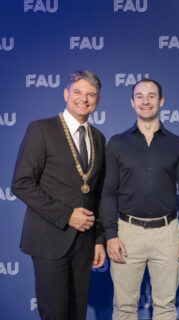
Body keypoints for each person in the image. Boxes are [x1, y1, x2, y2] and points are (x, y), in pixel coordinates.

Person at [12, 70, 106, 319]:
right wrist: (67, 215)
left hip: (84, 242)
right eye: (77, 92)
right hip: (49, 239)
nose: (83, 99)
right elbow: (21, 183)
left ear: (97, 100)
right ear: (66, 94)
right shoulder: (41, 129)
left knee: (78, 314)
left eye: (91, 94)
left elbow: (96, 194)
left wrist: (99, 239)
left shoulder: (98, 138)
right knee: (55, 314)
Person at [101, 78, 179, 320]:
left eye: (152, 96)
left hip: (168, 234)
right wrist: (110, 235)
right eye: (140, 96)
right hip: (127, 233)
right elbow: (108, 192)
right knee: (124, 307)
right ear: (133, 102)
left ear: (161, 101)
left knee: (165, 307)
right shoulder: (117, 143)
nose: (146, 101)